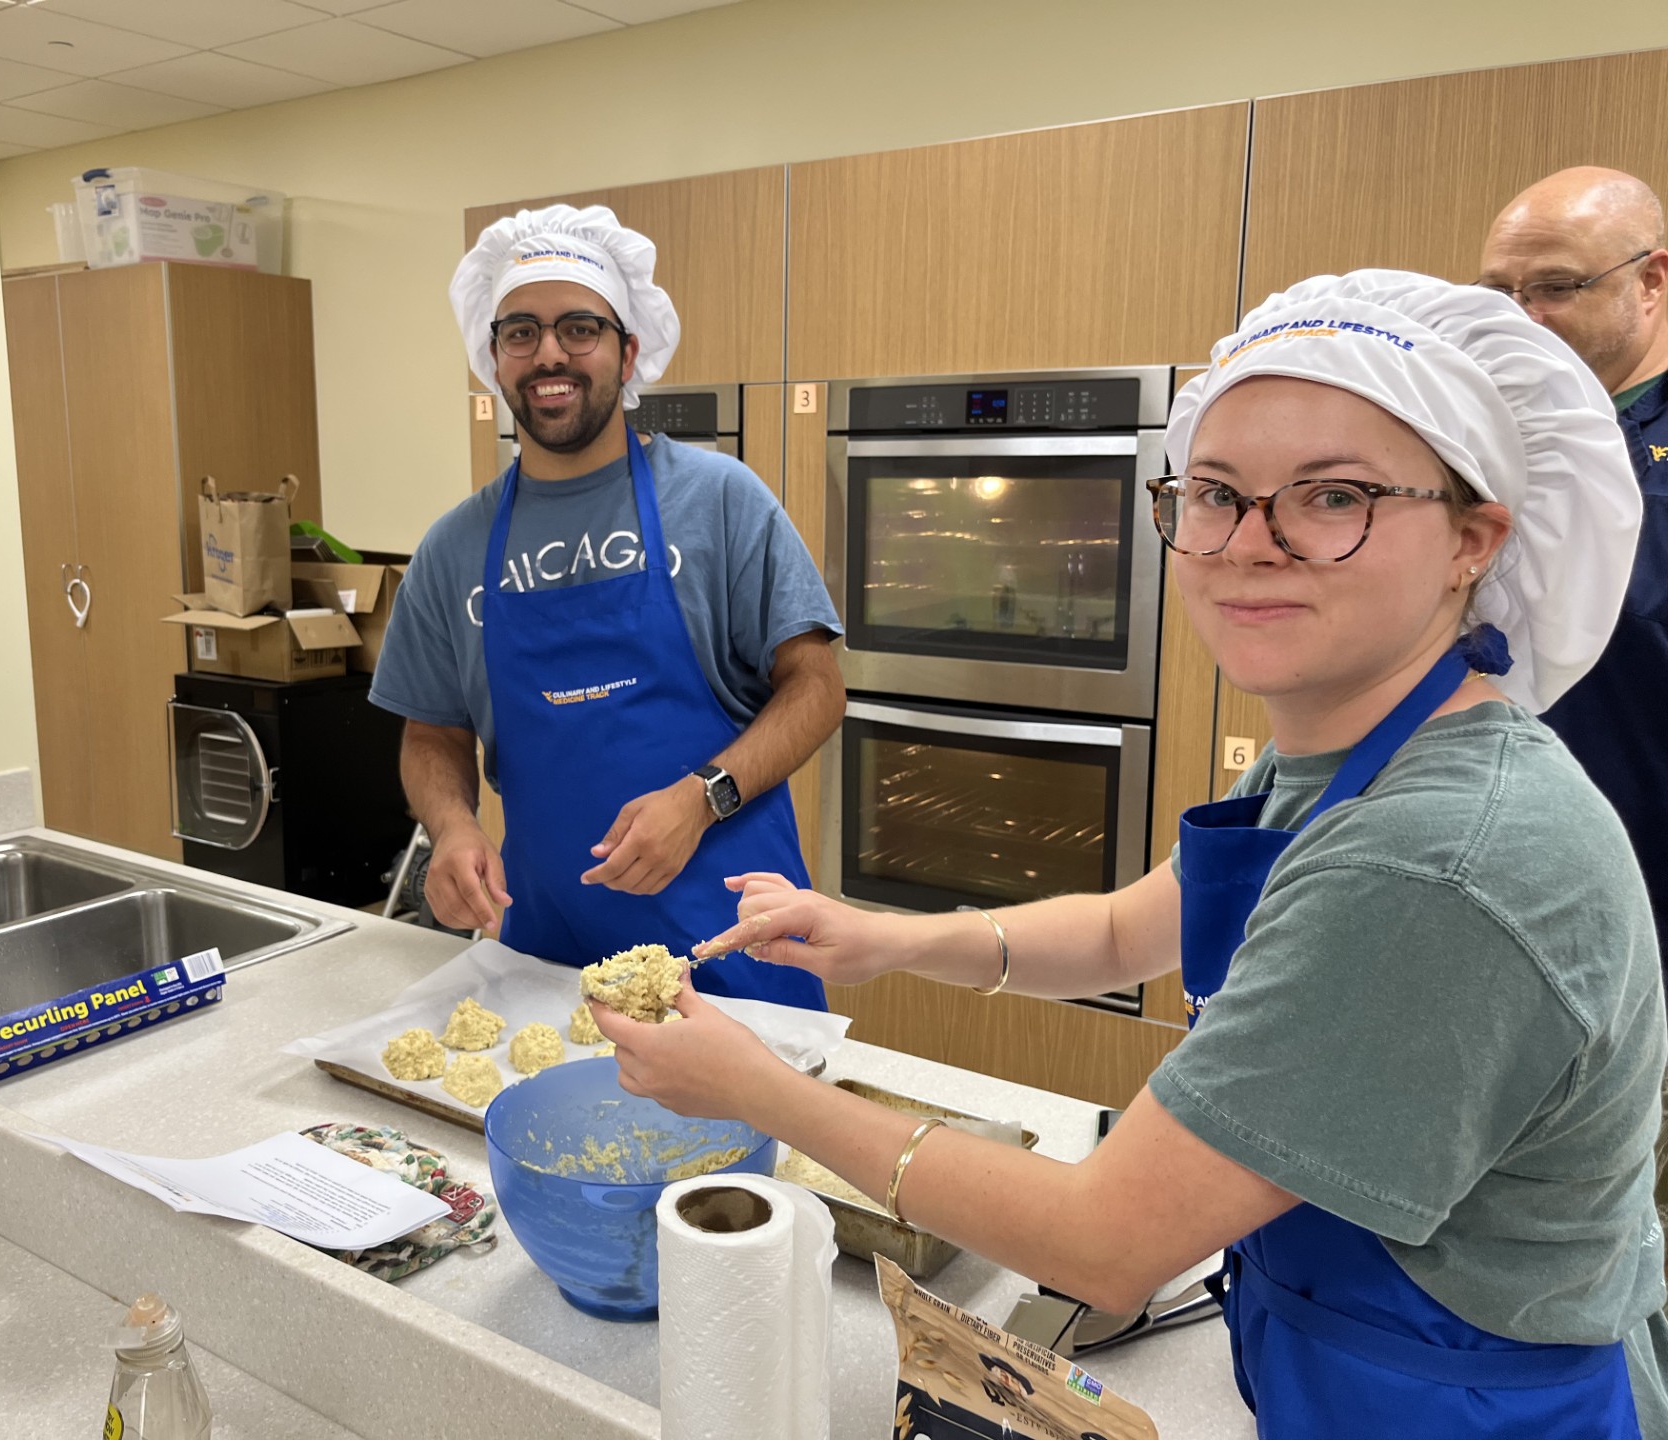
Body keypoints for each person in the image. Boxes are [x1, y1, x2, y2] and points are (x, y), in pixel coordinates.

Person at [593, 271, 1668, 1436]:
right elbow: (1123, 928)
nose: (1251, 544)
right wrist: (881, 937)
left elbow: (1106, 1243)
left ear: (1474, 539)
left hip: (1472, 1405)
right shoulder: (1356, 749)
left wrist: (759, 1090)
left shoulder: (1434, 862)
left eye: (1333, 497)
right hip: (1345, 1364)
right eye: (1216, 493)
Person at [370, 205, 842, 1009]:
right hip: (547, 969)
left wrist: (702, 798)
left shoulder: (720, 502)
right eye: (520, 331)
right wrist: (452, 827)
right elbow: (431, 731)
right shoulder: (453, 547)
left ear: (627, 354)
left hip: (733, 961)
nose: (548, 352)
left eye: (578, 327)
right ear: (495, 358)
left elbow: (817, 688)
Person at [1479, 168, 1668, 949]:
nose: (1523, 319)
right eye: (1499, 294)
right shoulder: (1477, 441)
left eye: (1555, 286)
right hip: (1497, 877)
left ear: (1652, 281)